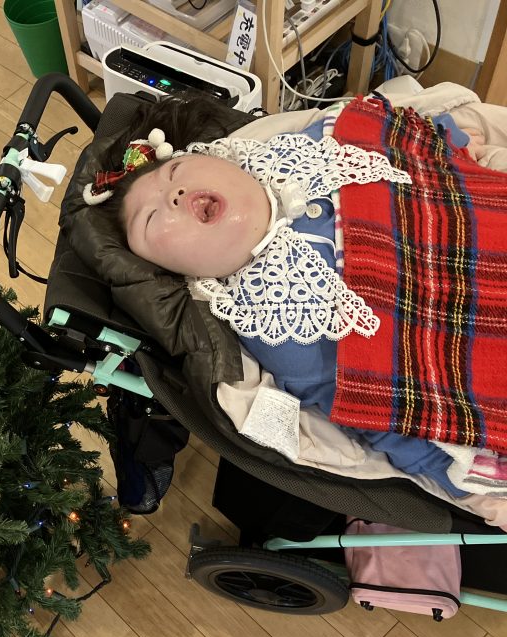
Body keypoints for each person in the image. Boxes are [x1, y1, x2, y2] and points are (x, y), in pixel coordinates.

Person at [85, 90, 507, 522]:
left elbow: (386, 136)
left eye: (175, 171)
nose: (172, 195)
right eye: (153, 219)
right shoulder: (281, 325)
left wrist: (446, 138)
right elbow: (379, 410)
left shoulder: (301, 149)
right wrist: (458, 477)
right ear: (180, 274)